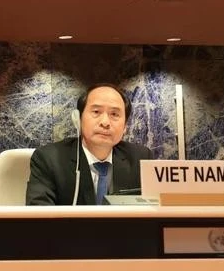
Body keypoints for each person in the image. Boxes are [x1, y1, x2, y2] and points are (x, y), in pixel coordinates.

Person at [26, 83, 154, 206]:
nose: (105, 122)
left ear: (125, 126)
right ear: (79, 119)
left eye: (114, 114)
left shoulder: (141, 159)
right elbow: (39, 216)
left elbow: (156, 211)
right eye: (96, 112)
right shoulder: (49, 159)